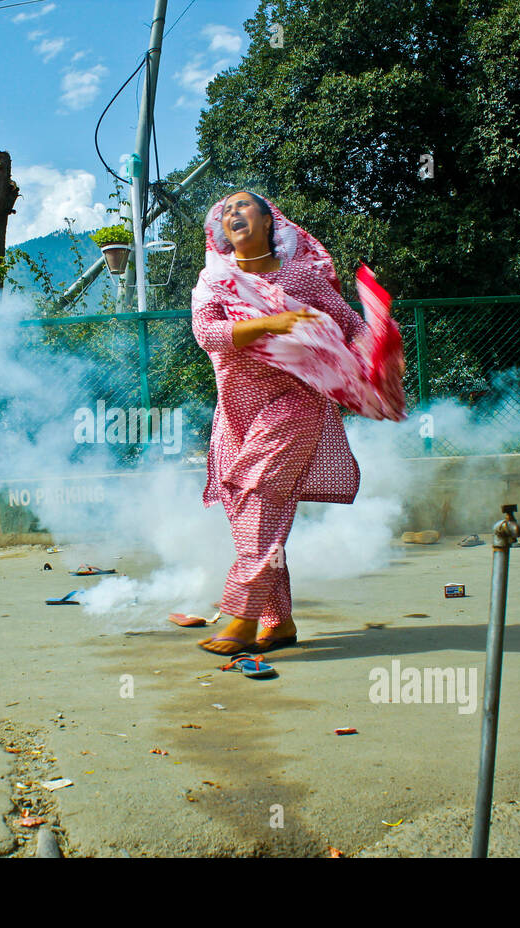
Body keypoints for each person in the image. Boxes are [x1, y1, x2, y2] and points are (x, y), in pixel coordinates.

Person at [191, 191, 371, 656]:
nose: (233, 213)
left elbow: (352, 323)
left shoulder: (298, 277)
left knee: (260, 498)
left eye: (244, 206)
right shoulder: (214, 280)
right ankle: (280, 620)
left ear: (271, 222)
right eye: (225, 211)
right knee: (249, 512)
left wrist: (374, 360)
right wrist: (273, 325)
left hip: (295, 402)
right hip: (235, 414)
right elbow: (208, 335)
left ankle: (244, 617)